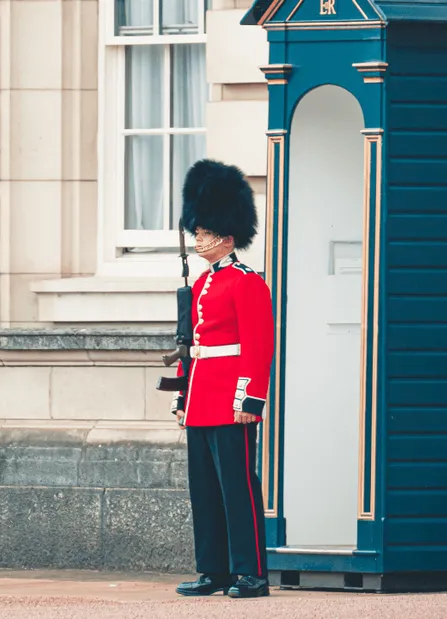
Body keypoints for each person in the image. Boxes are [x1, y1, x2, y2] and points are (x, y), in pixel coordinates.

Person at [170, 159, 274, 599]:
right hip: (201, 399)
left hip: (230, 400)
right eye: (197, 231)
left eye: (204, 232)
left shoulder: (247, 283)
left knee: (238, 488)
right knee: (206, 492)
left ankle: (250, 572)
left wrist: (249, 399)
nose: (198, 238)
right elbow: (190, 344)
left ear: (227, 237)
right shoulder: (200, 283)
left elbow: (258, 344)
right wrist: (181, 395)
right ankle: (214, 570)